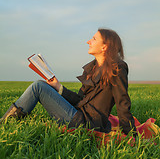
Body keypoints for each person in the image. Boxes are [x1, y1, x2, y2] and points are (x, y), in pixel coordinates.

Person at [0, 28, 137, 136]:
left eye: (94, 39)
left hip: (88, 123)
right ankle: (7, 121)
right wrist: (58, 87)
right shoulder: (93, 68)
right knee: (41, 85)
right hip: (79, 114)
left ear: (104, 47)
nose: (88, 41)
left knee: (38, 86)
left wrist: (131, 135)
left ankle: (5, 123)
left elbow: (122, 103)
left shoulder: (117, 69)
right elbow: (81, 100)